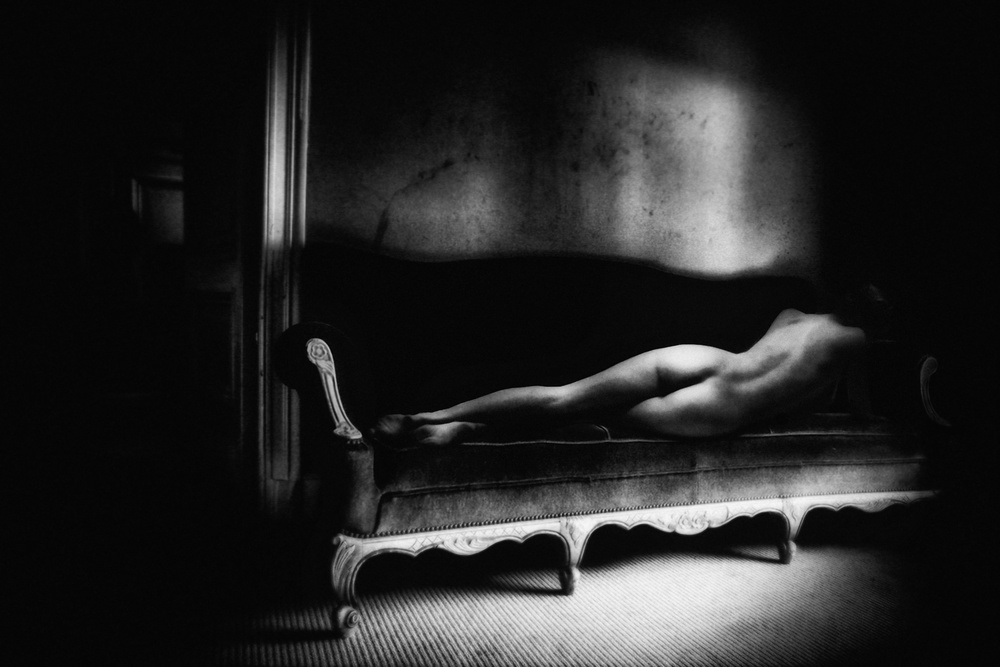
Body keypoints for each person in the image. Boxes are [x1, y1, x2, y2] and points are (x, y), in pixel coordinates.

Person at [374, 308, 867, 446]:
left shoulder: (791, 313)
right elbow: (821, 402)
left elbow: (768, 361)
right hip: (721, 406)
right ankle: (460, 428)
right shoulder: (858, 341)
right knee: (578, 416)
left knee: (567, 397)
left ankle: (433, 416)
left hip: (707, 360)